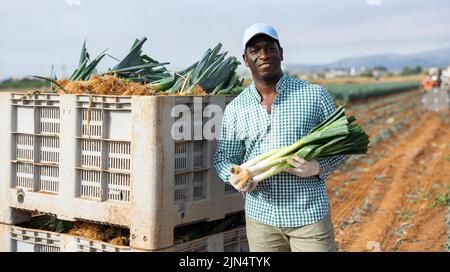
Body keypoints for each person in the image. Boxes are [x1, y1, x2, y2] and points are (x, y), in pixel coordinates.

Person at [213, 23, 350, 252]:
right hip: (261, 222)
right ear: (245, 59)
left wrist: (317, 166)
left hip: (308, 217)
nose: (264, 55)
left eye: (270, 48)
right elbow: (223, 159)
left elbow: (344, 146)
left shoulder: (314, 95)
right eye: (255, 50)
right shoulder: (236, 108)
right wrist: (234, 176)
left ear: (281, 53)